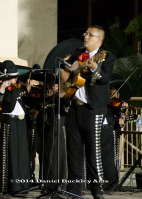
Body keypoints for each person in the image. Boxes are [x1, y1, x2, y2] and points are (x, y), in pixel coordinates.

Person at [64, 25, 115, 199]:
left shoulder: (106, 57)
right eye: (85, 33)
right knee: (73, 151)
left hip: (92, 109)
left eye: (89, 35)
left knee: (93, 151)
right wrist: (67, 69)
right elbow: (66, 70)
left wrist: (94, 69)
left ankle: (97, 190)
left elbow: (106, 78)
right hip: (74, 107)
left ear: (99, 39)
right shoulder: (78, 53)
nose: (85, 37)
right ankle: (73, 190)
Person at [0, 60, 32, 195]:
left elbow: (31, 102)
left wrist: (28, 89)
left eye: (15, 77)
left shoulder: (20, 88)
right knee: (11, 153)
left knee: (21, 154)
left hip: (21, 123)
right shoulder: (1, 90)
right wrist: (2, 90)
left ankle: (23, 184)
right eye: (12, 77)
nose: (15, 80)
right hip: (10, 123)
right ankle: (11, 186)